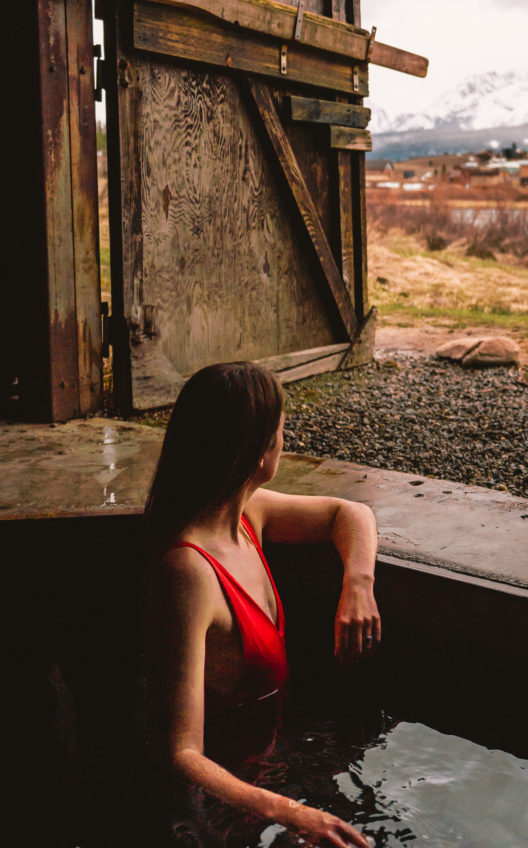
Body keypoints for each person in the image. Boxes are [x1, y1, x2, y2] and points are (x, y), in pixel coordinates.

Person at [141, 361, 379, 847]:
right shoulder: (188, 572)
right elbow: (181, 753)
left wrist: (358, 583)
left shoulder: (248, 513)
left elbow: (349, 512)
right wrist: (289, 812)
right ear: (259, 451)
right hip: (221, 806)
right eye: (281, 432)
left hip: (268, 767)